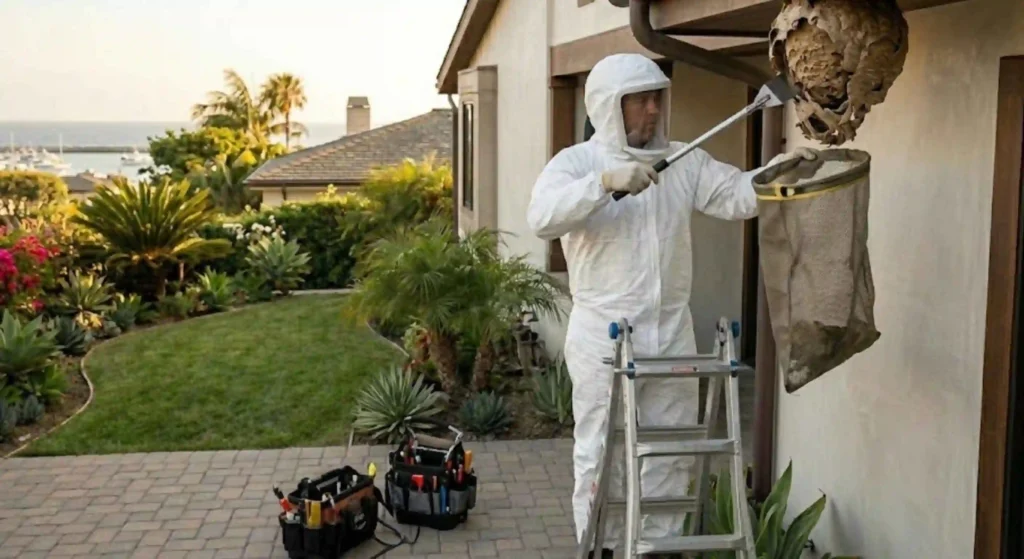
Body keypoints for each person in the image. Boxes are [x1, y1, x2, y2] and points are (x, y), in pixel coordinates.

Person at [526, 53, 814, 558]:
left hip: (673, 332)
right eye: (640, 101)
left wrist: (774, 177)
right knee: (602, 454)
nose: (654, 111)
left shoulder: (684, 160)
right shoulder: (576, 164)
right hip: (604, 337)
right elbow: (542, 217)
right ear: (608, 107)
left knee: (670, 455)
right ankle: (603, 548)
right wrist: (604, 184)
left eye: (657, 98)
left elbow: (733, 195)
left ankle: (657, 551)